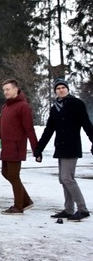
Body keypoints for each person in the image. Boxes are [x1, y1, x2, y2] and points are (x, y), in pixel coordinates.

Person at [34, 78, 93, 221]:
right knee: (63, 179)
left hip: (72, 146)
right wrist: (38, 149)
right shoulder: (55, 108)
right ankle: (68, 209)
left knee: (67, 178)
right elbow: (48, 130)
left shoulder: (76, 104)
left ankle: (83, 209)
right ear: (55, 91)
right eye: (58, 88)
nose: (61, 90)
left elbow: (86, 124)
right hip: (60, 146)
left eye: (63, 87)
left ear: (67, 89)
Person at [0, 79, 38, 214]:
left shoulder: (23, 107)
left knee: (14, 175)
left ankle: (19, 206)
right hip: (6, 147)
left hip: (16, 147)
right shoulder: (5, 107)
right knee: (6, 173)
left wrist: (36, 149)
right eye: (4, 90)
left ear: (16, 89)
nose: (5, 92)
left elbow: (29, 129)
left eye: (8, 89)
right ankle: (26, 201)